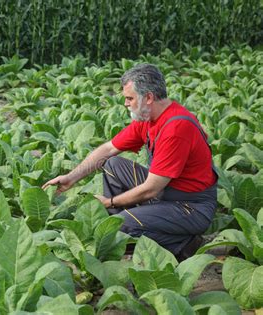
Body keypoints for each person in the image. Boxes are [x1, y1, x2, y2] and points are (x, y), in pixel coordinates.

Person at [42, 64, 217, 261]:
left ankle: (184, 244)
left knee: (121, 224)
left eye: (129, 98)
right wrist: (71, 178)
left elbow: (150, 189)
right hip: (166, 193)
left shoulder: (176, 127)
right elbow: (108, 149)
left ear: (148, 98)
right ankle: (132, 226)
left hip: (190, 207)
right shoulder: (148, 119)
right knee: (112, 165)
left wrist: (109, 202)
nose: (126, 104)